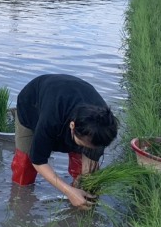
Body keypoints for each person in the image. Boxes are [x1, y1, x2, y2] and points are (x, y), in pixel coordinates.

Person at [12, 74, 119, 209]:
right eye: (83, 146)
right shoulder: (51, 119)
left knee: (84, 173)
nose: (87, 150)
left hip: (73, 104)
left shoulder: (103, 126)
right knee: (25, 164)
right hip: (32, 105)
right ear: (72, 126)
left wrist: (85, 177)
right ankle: (20, 202)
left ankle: (78, 209)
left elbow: (91, 152)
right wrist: (68, 191)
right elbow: (38, 161)